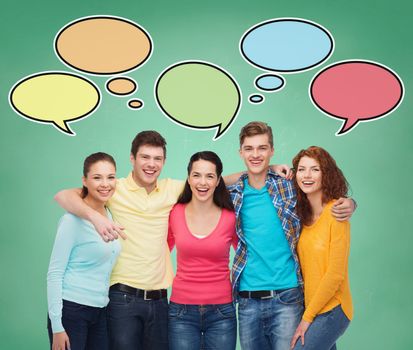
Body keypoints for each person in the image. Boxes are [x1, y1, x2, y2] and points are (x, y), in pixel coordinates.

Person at [54, 130, 290, 350]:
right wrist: (95, 217)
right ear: (132, 159)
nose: (151, 164)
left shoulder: (173, 191)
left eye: (157, 158)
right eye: (145, 157)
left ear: (164, 162)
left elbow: (211, 180)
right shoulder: (115, 188)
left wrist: (269, 167)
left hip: (161, 299)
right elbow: (64, 195)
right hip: (123, 296)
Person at [227, 122, 355, 350]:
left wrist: (351, 203)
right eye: (249, 149)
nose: (256, 154)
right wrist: (264, 167)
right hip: (247, 301)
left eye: (262, 148)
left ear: (272, 150)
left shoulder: (287, 187)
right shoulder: (233, 193)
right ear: (241, 152)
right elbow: (204, 181)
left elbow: (323, 194)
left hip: (287, 297)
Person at [47, 152, 121, 350]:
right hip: (72, 311)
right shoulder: (71, 221)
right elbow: (54, 274)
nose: (105, 184)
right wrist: (57, 327)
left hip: (100, 311)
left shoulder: (111, 213)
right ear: (85, 181)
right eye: (97, 177)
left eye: (110, 177)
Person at [167, 151, 238, 350]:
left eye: (210, 176)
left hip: (221, 312)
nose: (202, 182)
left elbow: (246, 255)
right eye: (197, 175)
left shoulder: (230, 216)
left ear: (218, 181)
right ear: (188, 179)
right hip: (181, 312)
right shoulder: (174, 212)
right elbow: (159, 250)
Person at [290, 146, 352, 350]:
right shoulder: (301, 215)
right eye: (301, 169)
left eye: (315, 169)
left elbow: (335, 275)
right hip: (311, 308)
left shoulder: (337, 213)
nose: (306, 175)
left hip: (333, 309)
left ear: (326, 174)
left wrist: (307, 319)